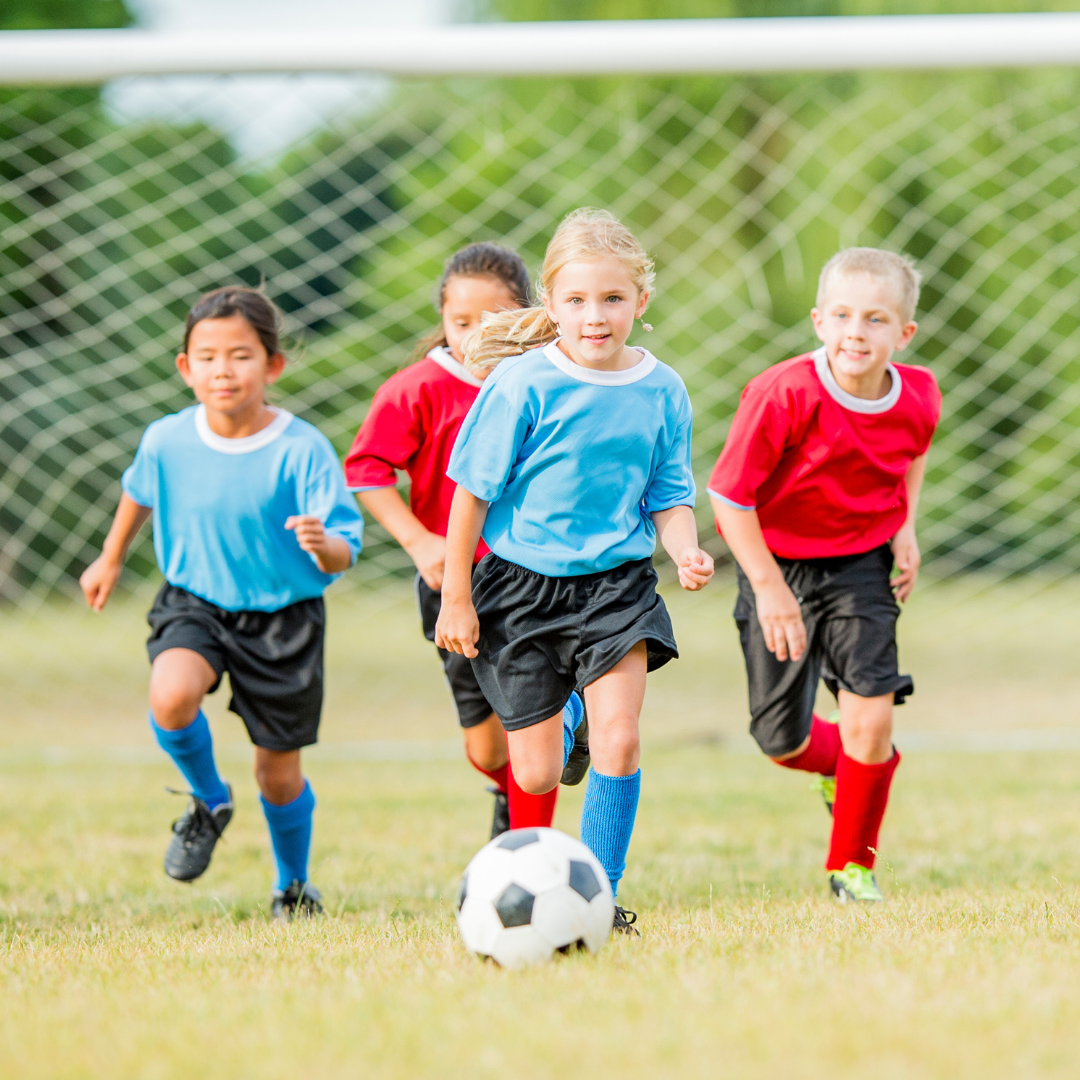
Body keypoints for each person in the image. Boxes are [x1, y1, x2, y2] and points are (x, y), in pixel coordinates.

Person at [435, 209, 714, 935]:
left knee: (621, 738)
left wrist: (683, 547)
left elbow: (670, 494)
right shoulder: (522, 384)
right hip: (521, 592)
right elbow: (470, 492)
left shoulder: (663, 390)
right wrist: (456, 597)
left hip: (616, 589)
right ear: (550, 304)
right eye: (579, 301)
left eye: (614, 299)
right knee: (531, 774)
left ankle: (598, 894)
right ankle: (570, 722)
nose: (596, 316)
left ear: (641, 302)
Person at [79, 287, 364, 921]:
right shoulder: (166, 440)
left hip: (284, 619)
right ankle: (210, 801)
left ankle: (293, 886)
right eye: (207, 357)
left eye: (240, 355)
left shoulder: (303, 447)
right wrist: (110, 556)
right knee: (171, 695)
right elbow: (137, 493)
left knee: (278, 776)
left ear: (273, 365)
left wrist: (326, 546)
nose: (223, 370)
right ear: (185, 368)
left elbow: (347, 548)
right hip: (195, 601)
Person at [708, 247, 941, 903]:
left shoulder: (919, 392)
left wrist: (904, 526)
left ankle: (851, 867)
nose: (855, 333)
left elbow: (913, 451)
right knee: (781, 740)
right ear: (818, 321)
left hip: (861, 567)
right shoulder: (783, 393)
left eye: (874, 319)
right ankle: (850, 771)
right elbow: (729, 497)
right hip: (776, 566)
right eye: (841, 315)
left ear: (904, 333)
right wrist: (768, 586)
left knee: (872, 718)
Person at [345, 243, 584, 839]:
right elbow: (366, 470)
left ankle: (531, 850)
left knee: (538, 725)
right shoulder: (417, 388)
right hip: (457, 582)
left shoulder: (556, 380)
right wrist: (421, 542)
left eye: (494, 320)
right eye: (461, 322)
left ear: (529, 315)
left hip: (539, 580)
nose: (478, 335)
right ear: (443, 320)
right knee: (488, 748)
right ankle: (509, 802)